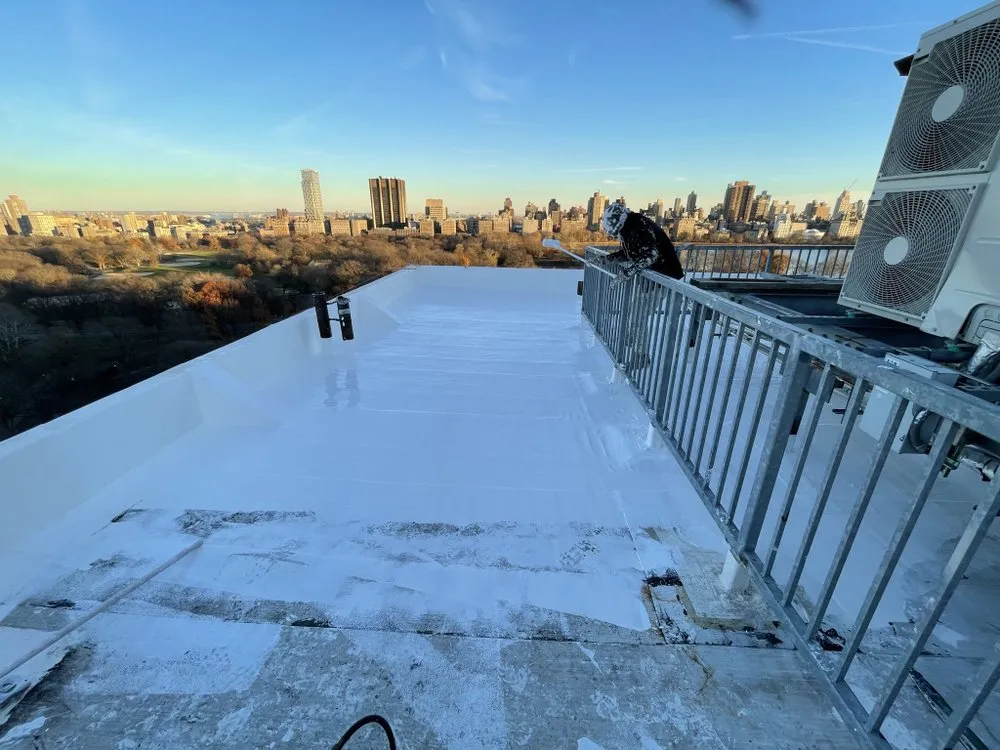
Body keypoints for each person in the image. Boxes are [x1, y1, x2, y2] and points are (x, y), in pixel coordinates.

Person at [600, 203, 685, 370]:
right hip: (653, 280)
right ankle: (632, 341)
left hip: (663, 278)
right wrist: (606, 259)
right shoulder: (631, 226)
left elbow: (650, 255)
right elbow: (630, 253)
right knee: (634, 310)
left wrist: (626, 274)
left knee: (638, 316)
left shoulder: (637, 227)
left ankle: (641, 356)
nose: (614, 235)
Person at [601, 202, 684, 283]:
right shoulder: (630, 228)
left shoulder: (639, 225)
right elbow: (629, 254)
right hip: (658, 280)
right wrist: (604, 260)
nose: (616, 237)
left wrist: (626, 274)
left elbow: (652, 255)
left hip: (668, 280)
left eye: (615, 234)